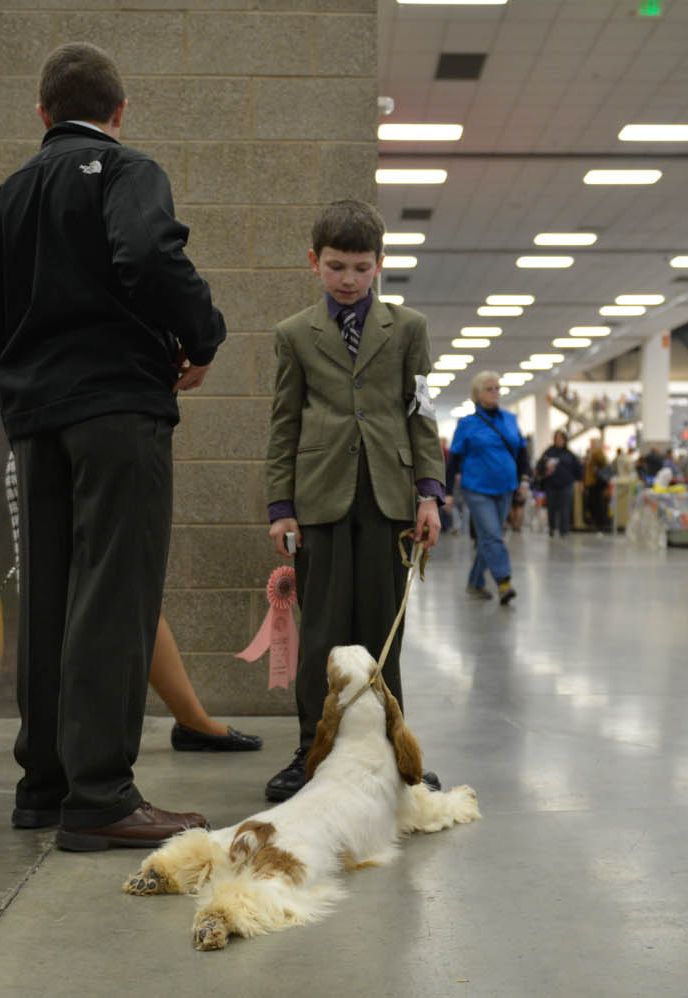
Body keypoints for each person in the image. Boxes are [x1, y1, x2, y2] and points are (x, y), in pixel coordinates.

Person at [0, 41, 226, 850]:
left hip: (33, 421)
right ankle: (102, 797)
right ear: (119, 112)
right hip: (117, 409)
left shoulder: (6, 199)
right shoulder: (126, 170)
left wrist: (19, 398)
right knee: (117, 592)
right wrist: (202, 335)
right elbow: (149, 256)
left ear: (43, 114)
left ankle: (44, 786)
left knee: (46, 596)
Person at [264, 198, 445, 803]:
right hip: (318, 502)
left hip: (389, 500)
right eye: (336, 266)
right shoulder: (294, 334)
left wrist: (429, 494)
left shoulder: (409, 329)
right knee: (321, 636)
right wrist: (279, 505)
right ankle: (308, 750)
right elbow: (284, 421)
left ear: (380, 265)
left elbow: (422, 414)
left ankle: (392, 749)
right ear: (314, 262)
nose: (348, 280)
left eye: (361, 267)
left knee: (381, 631)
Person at [0, 443, 261, 753]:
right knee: (96, 597)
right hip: (73, 440)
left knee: (122, 595)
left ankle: (177, 722)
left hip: (66, 443)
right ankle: (97, 744)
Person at [445, 371, 528, 605]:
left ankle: (475, 582)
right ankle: (503, 581)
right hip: (477, 489)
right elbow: (453, 461)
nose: (495, 393)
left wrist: (524, 481)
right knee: (493, 535)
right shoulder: (467, 424)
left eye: (497, 388)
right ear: (477, 394)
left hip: (506, 488)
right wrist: (448, 492)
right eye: (490, 389)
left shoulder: (510, 420)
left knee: (488, 538)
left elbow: (522, 452)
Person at [535, 428, 581, 537]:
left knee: (565, 508)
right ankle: (552, 528)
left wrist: (580, 482)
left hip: (565, 485)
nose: (559, 440)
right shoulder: (548, 452)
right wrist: (545, 468)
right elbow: (539, 466)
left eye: (561, 438)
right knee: (551, 507)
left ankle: (564, 530)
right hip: (551, 485)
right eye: (557, 438)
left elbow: (577, 469)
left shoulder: (570, 454)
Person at [583, 438, 611, 531]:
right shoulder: (592, 454)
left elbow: (601, 464)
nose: (591, 445)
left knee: (597, 504)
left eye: (592, 444)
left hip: (597, 483)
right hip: (593, 483)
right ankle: (597, 523)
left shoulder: (597, 454)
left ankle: (600, 524)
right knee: (593, 504)